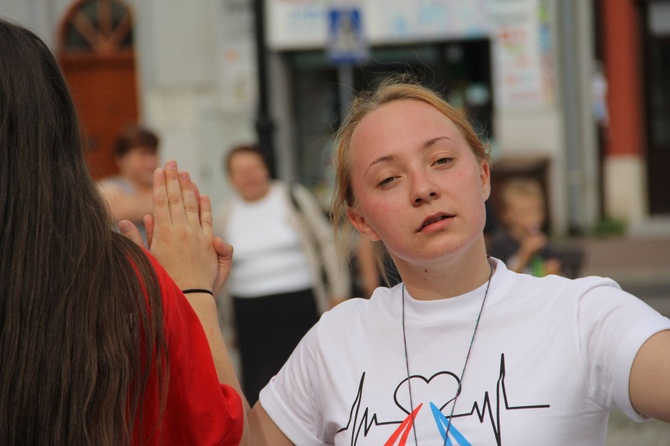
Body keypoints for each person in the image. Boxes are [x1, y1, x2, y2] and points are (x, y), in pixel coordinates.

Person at [247, 76, 670, 445]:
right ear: (362, 220)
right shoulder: (335, 341)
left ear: (483, 176)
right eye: (388, 178)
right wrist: (197, 295)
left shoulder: (580, 315)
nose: (423, 188)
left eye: (442, 160)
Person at [0, 19, 246, 445]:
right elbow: (213, 428)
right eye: (137, 153)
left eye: (150, 152)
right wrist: (188, 293)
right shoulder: (121, 256)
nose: (145, 160)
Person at [215, 144, 351, 405]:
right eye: (240, 171)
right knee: (260, 385)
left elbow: (327, 242)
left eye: (254, 168)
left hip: (300, 305)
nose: (249, 176)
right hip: (250, 313)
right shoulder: (225, 213)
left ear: (265, 169)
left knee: (311, 379)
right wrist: (226, 324)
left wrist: (339, 291)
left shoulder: (292, 197)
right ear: (230, 178)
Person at [487, 176, 563, 276]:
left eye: (537, 210)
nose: (534, 217)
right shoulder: (501, 244)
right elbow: (504, 277)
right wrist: (525, 252)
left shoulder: (542, 242)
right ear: (507, 215)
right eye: (525, 212)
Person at [98, 125, 159, 243]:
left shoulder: (157, 188)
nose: (151, 162)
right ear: (120, 159)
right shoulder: (107, 187)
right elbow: (119, 208)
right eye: (143, 155)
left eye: (153, 154)